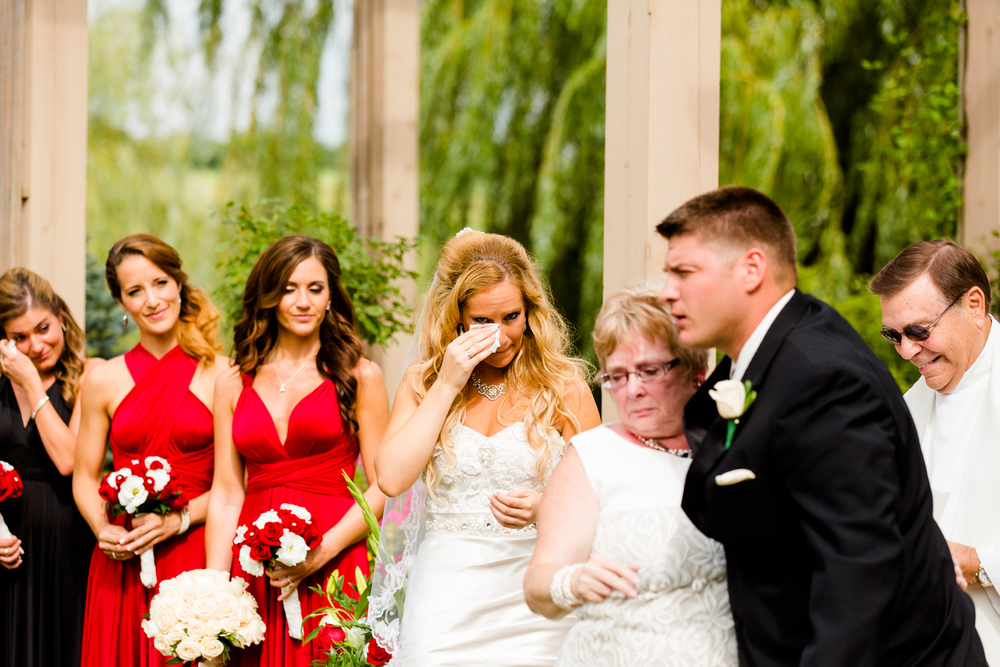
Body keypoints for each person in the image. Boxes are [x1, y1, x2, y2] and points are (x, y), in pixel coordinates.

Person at [658, 186, 985, 666]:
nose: (667, 290)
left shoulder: (822, 378)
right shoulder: (765, 362)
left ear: (751, 269)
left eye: (684, 272)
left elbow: (858, 573)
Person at [374, 229, 601, 666]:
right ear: (455, 318)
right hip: (445, 594)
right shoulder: (423, 383)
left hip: (536, 595)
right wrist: (448, 382)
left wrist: (545, 507)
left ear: (530, 311)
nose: (498, 336)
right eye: (481, 322)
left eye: (510, 317)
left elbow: (599, 496)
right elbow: (391, 478)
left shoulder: (564, 387)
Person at [523, 281, 736, 666]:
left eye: (649, 370)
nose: (632, 389)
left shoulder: (736, 446)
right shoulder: (591, 457)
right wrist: (571, 581)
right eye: (617, 376)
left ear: (697, 370)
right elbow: (537, 585)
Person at [205, 235, 389, 666]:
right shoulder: (232, 382)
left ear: (331, 296)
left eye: (315, 288)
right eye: (288, 288)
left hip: (334, 562)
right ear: (268, 296)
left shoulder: (361, 375)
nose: (303, 301)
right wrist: (216, 590)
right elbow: (227, 493)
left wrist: (321, 552)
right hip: (255, 569)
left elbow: (383, 488)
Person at [73, 234, 228, 667]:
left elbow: (237, 484)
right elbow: (84, 476)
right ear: (121, 303)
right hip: (121, 560)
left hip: (196, 550)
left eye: (160, 283)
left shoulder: (222, 376)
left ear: (179, 284)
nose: (152, 300)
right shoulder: (103, 379)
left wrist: (178, 520)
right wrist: (101, 528)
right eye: (134, 291)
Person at [871, 238, 1000, 662]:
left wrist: (982, 564)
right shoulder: (904, 409)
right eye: (894, 335)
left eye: (919, 331)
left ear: (975, 304)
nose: (907, 351)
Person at [0, 269, 101, 667]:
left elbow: (68, 459)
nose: (37, 345)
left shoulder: (88, 374)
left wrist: (31, 383)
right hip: (9, 546)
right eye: (20, 337)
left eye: (43, 328)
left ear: (60, 315)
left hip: (67, 544)